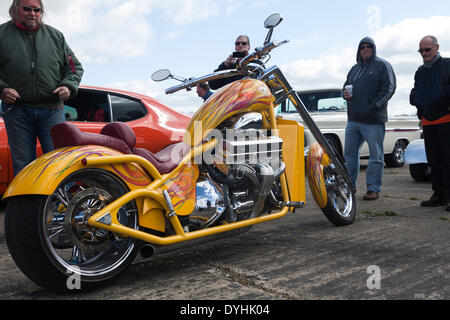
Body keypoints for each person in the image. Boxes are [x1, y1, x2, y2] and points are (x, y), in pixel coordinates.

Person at [0, 0, 84, 176]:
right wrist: (2, 90)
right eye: (27, 9)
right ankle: (28, 204)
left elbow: (74, 68)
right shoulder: (2, 34)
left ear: (41, 12)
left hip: (52, 110)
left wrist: (68, 86)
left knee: (59, 163)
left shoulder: (56, 36)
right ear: (15, 9)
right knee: (24, 165)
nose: (32, 13)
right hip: (17, 111)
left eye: (37, 10)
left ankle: (59, 203)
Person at [343, 37, 396, 201]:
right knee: (350, 155)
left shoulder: (382, 65)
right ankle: (349, 186)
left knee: (376, 156)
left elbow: (389, 88)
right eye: (362, 47)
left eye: (368, 47)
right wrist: (343, 93)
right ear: (359, 50)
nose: (365, 49)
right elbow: (345, 86)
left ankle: (373, 189)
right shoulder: (354, 69)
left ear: (373, 48)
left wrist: (373, 106)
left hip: (373, 120)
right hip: (353, 120)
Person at [410, 36, 450, 211]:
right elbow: (415, 92)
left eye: (427, 49)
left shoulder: (447, 65)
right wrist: (416, 99)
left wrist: (440, 99)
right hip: (427, 121)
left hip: (446, 120)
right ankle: (439, 194)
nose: (424, 53)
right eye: (421, 51)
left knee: (448, 160)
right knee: (433, 161)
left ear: (436, 47)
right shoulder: (420, 71)